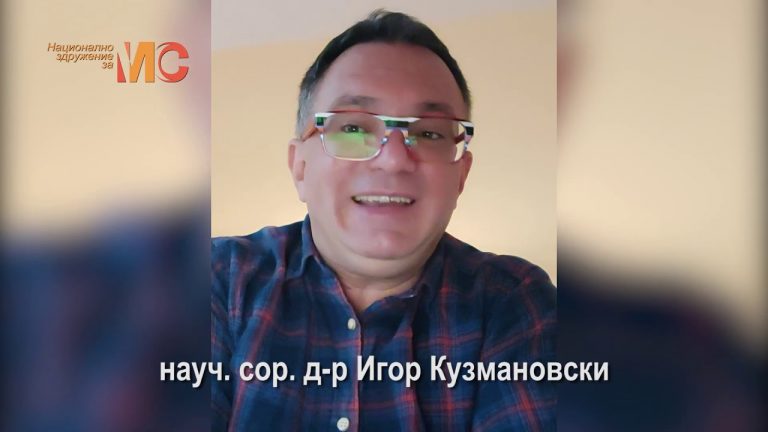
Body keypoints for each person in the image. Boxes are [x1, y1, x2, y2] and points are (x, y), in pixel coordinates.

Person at [211, 10, 556, 432]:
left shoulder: (513, 300)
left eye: (430, 133)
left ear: (461, 176)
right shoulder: (217, 277)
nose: (394, 159)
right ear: (300, 167)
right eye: (354, 128)